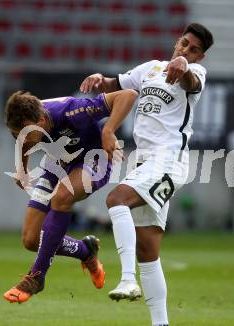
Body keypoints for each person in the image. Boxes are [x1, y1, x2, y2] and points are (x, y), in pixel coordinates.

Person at [80, 23, 214, 326]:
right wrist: (101, 80)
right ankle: (161, 323)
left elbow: (192, 82)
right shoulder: (151, 68)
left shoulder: (197, 74)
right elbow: (117, 84)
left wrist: (185, 67)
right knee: (148, 250)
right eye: (184, 44)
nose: (186, 50)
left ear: (200, 57)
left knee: (116, 199)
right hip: (144, 164)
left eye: (194, 49)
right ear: (177, 41)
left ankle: (128, 279)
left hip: (169, 161)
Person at [2, 88, 137, 303]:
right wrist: (22, 168)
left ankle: (36, 277)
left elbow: (128, 94)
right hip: (58, 164)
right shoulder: (28, 123)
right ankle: (85, 250)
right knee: (30, 239)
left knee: (62, 197)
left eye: (26, 132)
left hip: (94, 159)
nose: (23, 138)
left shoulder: (72, 111)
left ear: (40, 120)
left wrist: (108, 131)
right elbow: (22, 139)